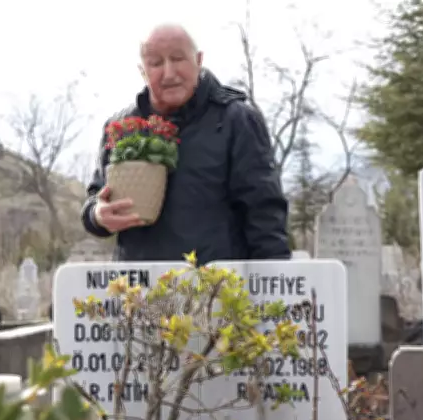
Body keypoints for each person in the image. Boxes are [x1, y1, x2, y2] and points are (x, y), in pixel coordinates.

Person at [81, 23, 291, 264]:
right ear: (142, 70)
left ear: (198, 60)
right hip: (140, 284)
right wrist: (97, 215)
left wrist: (275, 279)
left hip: (216, 282)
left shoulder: (236, 120)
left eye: (178, 59)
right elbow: (95, 200)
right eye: (156, 63)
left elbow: (264, 212)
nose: (169, 73)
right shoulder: (121, 127)